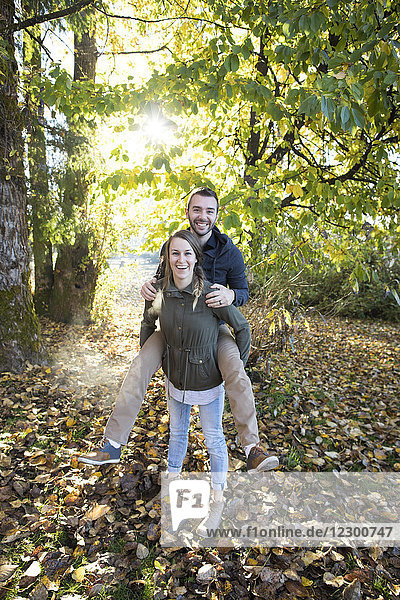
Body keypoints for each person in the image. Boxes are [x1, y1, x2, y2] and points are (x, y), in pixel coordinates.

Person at [79, 186, 278, 472]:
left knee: (236, 370)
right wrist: (149, 284)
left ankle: (252, 448)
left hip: (213, 328)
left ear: (217, 214)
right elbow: (162, 282)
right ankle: (112, 444)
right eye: (197, 209)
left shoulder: (229, 252)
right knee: (138, 368)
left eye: (209, 211)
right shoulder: (173, 244)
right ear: (188, 212)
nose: (203, 216)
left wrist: (232, 296)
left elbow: (244, 291)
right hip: (172, 325)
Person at [140, 230, 251, 532]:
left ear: (196, 258)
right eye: (175, 253)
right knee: (177, 435)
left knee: (214, 439)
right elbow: (148, 322)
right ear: (166, 258)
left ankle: (217, 501)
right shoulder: (162, 292)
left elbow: (242, 328)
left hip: (208, 382)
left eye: (187, 253)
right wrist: (156, 358)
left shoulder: (210, 294)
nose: (181, 259)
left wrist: (227, 366)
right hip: (176, 380)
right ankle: (172, 496)